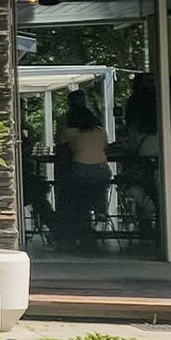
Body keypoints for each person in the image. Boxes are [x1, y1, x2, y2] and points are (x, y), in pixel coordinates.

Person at [55, 103, 111, 248]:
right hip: (102, 170)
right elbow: (106, 148)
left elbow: (61, 148)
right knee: (97, 187)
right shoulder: (100, 131)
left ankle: (74, 226)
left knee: (73, 194)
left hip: (80, 170)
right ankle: (100, 207)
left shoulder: (71, 132)